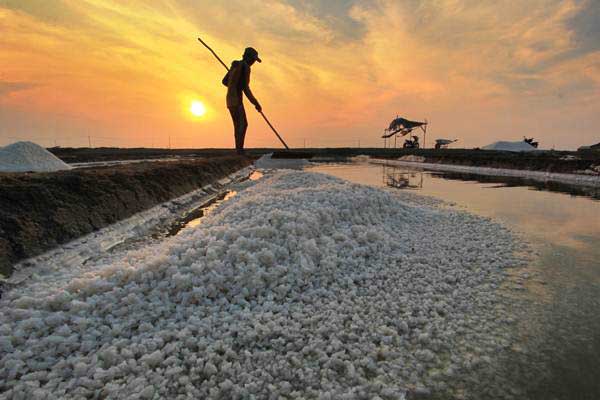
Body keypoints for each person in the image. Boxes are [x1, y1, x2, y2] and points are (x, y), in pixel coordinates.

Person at [222, 47, 262, 154]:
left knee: (237, 124)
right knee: (243, 124)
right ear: (248, 57)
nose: (253, 62)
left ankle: (238, 149)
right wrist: (256, 103)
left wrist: (233, 75)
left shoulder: (235, 65)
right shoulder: (245, 67)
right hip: (237, 99)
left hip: (229, 99)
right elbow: (246, 88)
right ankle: (239, 150)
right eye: (253, 59)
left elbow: (225, 82)